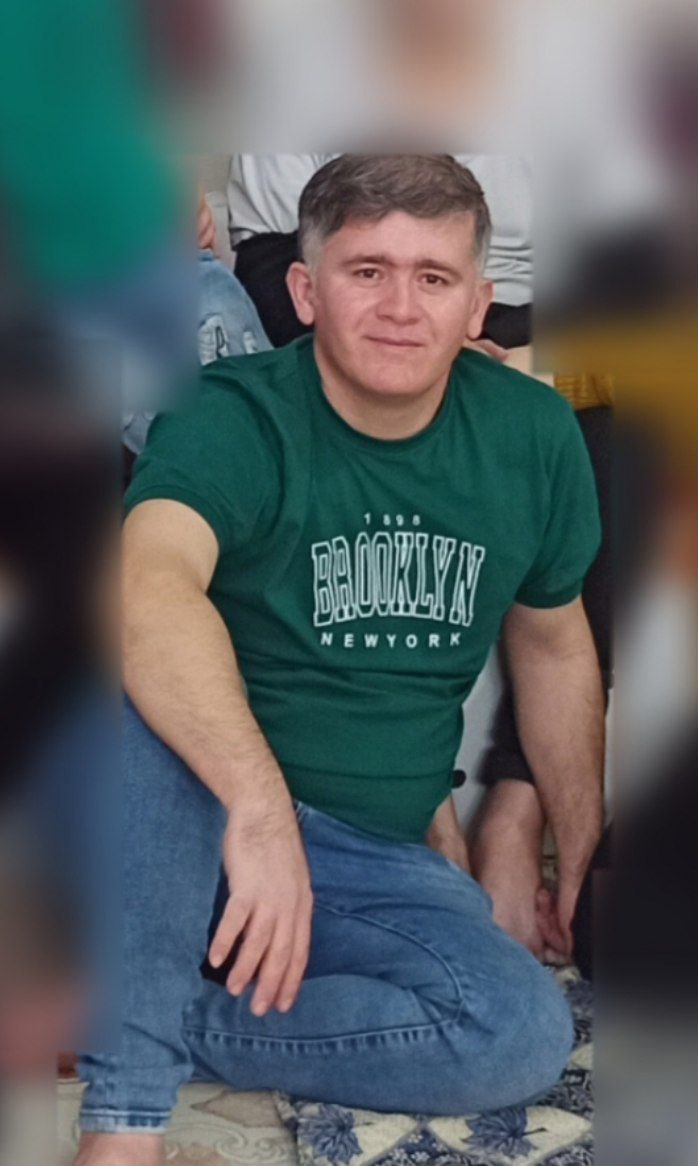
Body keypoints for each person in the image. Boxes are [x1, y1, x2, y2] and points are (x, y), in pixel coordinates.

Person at [75, 155, 603, 1166]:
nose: (400, 307)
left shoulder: (530, 434)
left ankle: (154, 1008)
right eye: (367, 271)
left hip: (366, 863)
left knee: (518, 1030)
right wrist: (260, 806)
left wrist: (576, 850)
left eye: (433, 277)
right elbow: (146, 587)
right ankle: (125, 1117)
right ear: (307, 290)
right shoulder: (231, 411)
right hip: (191, 821)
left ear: (478, 303)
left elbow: (553, 645)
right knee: (136, 681)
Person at [229, 154, 532, 349]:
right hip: (342, 336)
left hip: (525, 339)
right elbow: (267, 269)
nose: (402, 311)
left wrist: (492, 343)